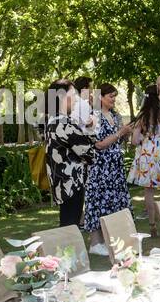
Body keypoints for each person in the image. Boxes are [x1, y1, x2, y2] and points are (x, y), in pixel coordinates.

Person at [82, 83, 134, 253]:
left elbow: (116, 140)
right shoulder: (94, 116)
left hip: (115, 167)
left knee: (115, 201)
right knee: (98, 202)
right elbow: (98, 144)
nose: (113, 99)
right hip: (101, 167)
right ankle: (95, 244)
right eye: (110, 96)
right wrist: (120, 133)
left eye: (114, 96)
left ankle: (114, 239)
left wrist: (125, 133)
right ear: (100, 97)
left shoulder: (114, 115)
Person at [43, 79, 96, 228]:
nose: (76, 100)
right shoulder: (64, 123)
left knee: (67, 226)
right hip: (71, 184)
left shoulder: (52, 121)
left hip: (62, 182)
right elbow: (89, 153)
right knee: (70, 228)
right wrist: (91, 127)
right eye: (73, 95)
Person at [128, 84, 160, 224]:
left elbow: (135, 140)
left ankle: (152, 223)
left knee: (148, 190)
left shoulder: (142, 116)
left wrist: (144, 138)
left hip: (148, 152)